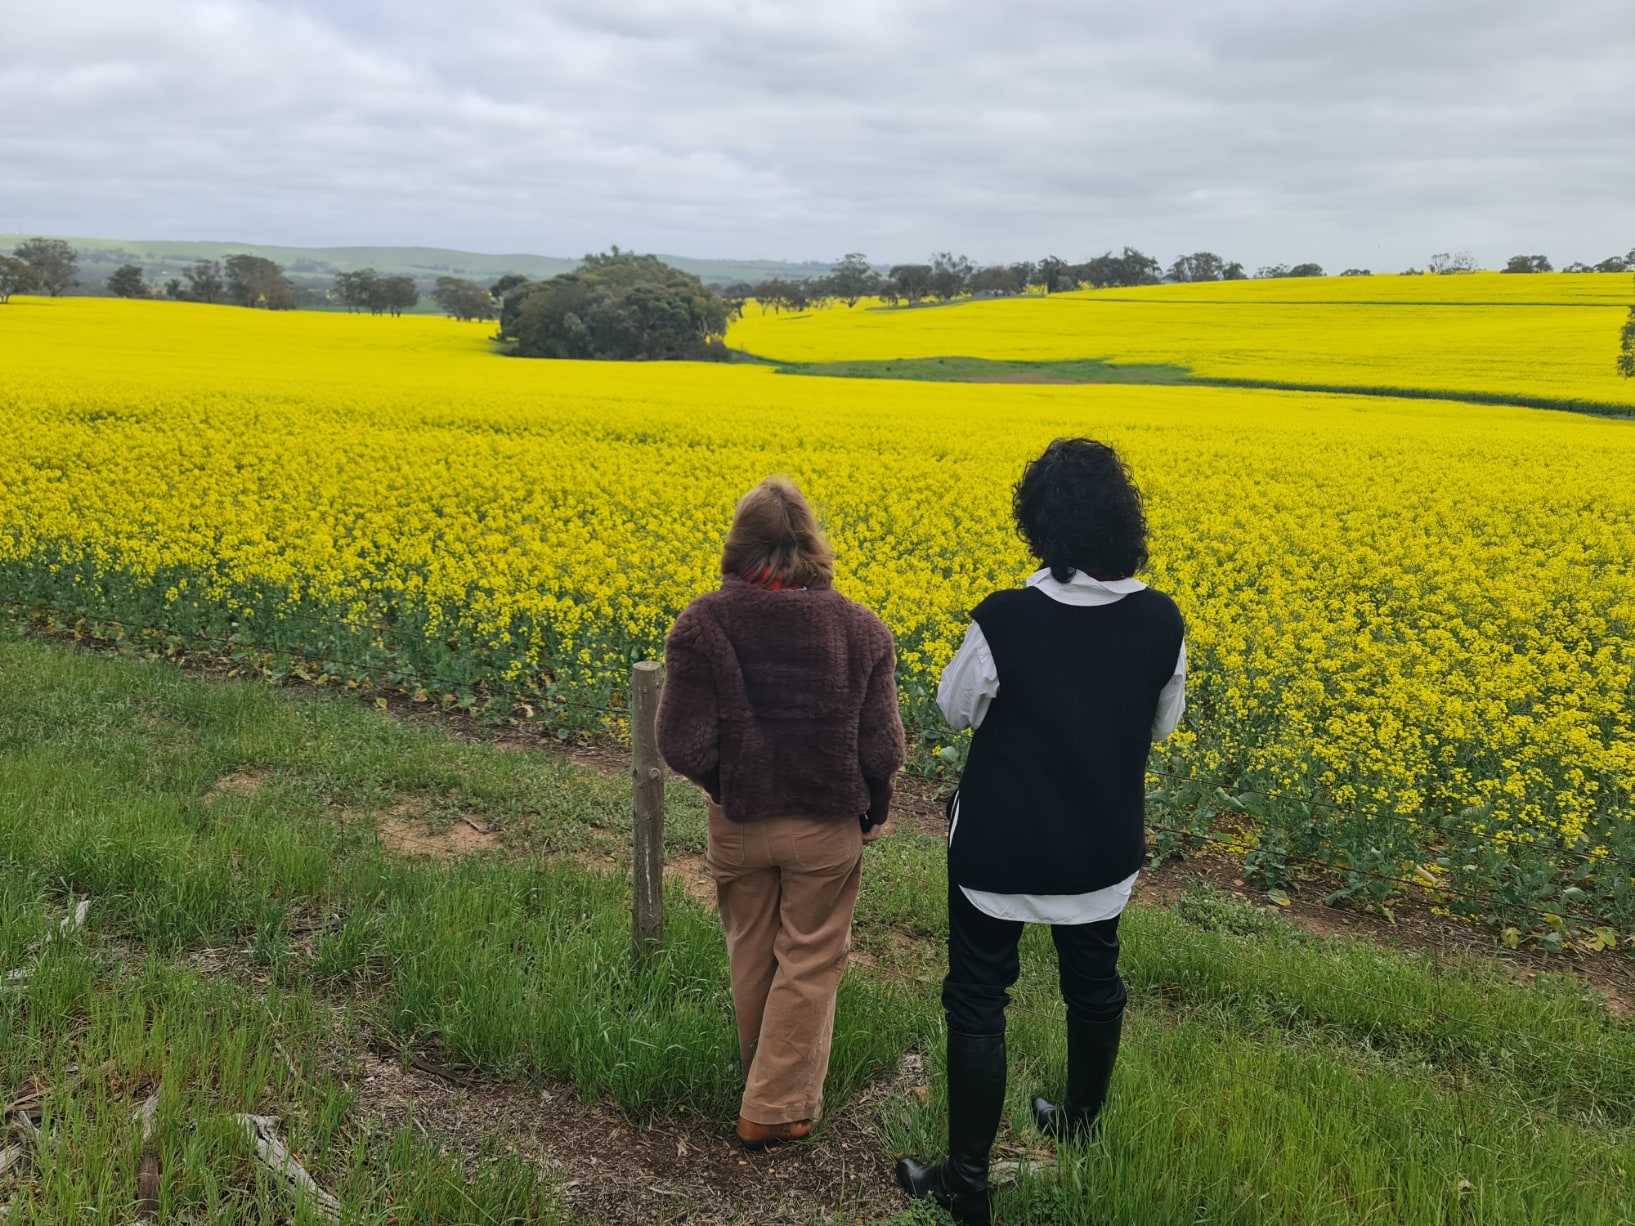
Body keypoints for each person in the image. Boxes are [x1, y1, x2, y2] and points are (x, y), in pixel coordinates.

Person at [896, 438, 1187, 1226]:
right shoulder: (1161, 620)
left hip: (1000, 850)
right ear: (1125, 524)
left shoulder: (1004, 617)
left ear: (1041, 527)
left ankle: (966, 1183)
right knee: (1093, 986)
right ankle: (1079, 1124)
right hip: (1099, 853)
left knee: (978, 1000)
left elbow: (955, 709)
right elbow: (1164, 724)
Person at [657, 476, 906, 1150]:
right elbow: (881, 747)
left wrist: (726, 783)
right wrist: (873, 809)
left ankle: (761, 1079)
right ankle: (772, 1108)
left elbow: (680, 742)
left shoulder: (703, 621)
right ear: (814, 548)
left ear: (739, 546)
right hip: (825, 827)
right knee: (809, 959)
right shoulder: (859, 628)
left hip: (739, 823)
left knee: (751, 951)